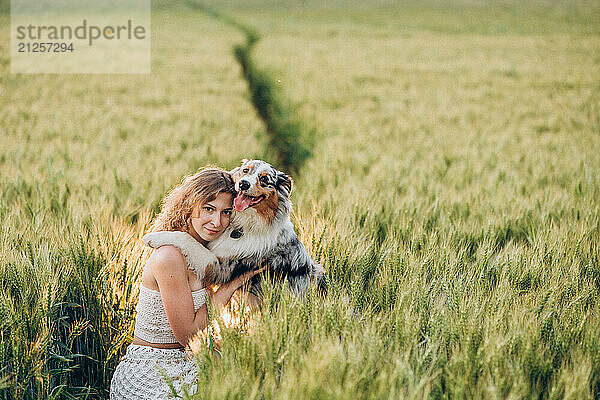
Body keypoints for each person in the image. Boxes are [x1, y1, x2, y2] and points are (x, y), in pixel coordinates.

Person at [110, 168, 264, 400]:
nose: (217, 222)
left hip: (187, 363)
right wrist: (230, 286)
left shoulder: (208, 254)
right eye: (208, 209)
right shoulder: (169, 256)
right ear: (188, 205)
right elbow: (188, 335)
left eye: (226, 212)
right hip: (151, 373)